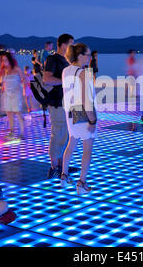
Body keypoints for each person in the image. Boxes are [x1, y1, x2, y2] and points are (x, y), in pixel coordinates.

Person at [60, 43, 97, 195]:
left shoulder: (66, 71)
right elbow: (85, 100)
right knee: (87, 148)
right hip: (82, 113)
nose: (90, 58)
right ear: (80, 56)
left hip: (70, 112)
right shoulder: (82, 73)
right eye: (87, 55)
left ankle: (64, 176)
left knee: (72, 142)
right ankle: (81, 183)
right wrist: (93, 120)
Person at [44, 34, 74, 178]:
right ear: (62, 45)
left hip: (67, 102)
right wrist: (65, 82)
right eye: (70, 44)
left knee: (66, 135)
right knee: (58, 133)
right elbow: (46, 78)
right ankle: (54, 167)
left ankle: (62, 166)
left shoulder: (67, 61)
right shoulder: (53, 59)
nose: (72, 47)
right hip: (57, 102)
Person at [0, 52, 26, 140]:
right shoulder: (3, 70)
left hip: (16, 94)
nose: (4, 61)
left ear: (10, 59)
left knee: (18, 112)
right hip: (7, 94)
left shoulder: (17, 69)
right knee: (9, 113)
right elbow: (1, 81)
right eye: (2, 60)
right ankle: (12, 132)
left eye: (5, 59)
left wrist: (20, 87)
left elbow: (24, 79)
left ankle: (22, 133)